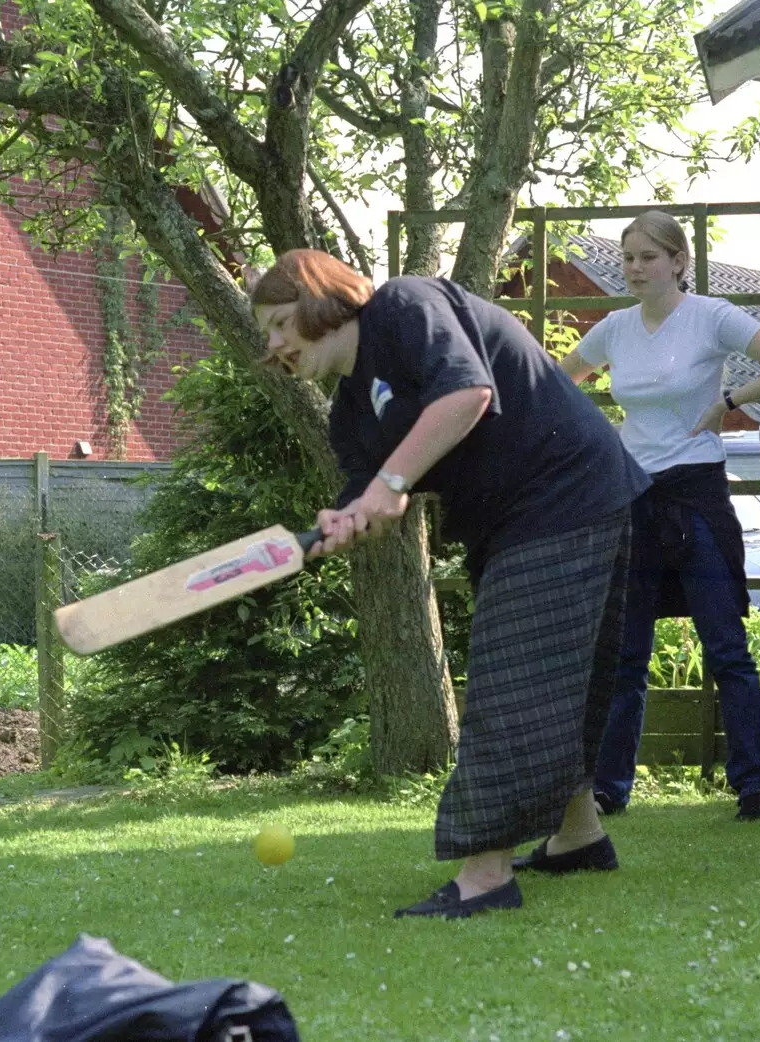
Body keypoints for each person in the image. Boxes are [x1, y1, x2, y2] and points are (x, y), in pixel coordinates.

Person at [251, 250, 650, 919]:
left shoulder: (404, 306)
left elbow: (467, 394)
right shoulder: (350, 409)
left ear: (322, 300)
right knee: (558, 676)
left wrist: (385, 487)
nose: (274, 345)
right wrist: (347, 518)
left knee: (512, 677)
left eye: (282, 323)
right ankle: (578, 835)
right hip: (518, 517)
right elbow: (376, 497)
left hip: (566, 489)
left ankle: (485, 877)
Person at [551, 210, 760, 823]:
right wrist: (597, 443)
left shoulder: (711, 318)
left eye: (647, 257)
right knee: (625, 655)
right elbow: (558, 382)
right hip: (632, 497)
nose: (635, 268)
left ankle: (753, 787)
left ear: (678, 263)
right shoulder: (614, 329)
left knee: (725, 646)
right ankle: (611, 789)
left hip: (696, 495)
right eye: (629, 257)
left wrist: (729, 403)